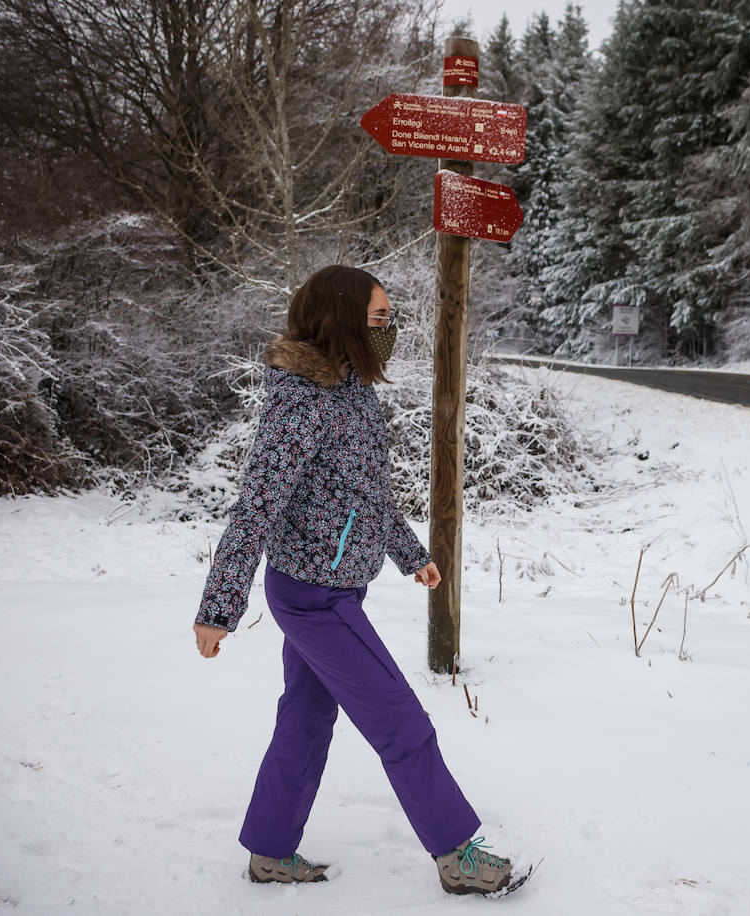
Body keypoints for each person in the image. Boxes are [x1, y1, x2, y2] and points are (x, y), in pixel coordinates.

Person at [192, 265, 514, 895]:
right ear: (339, 321)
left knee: (305, 721)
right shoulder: (299, 402)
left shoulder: (351, 391)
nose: (387, 330)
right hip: (314, 600)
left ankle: (270, 851)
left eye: (388, 318)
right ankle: (457, 856)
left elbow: (365, 494)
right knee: (402, 722)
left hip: (337, 587)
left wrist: (407, 552)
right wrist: (219, 606)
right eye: (377, 319)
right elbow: (256, 503)